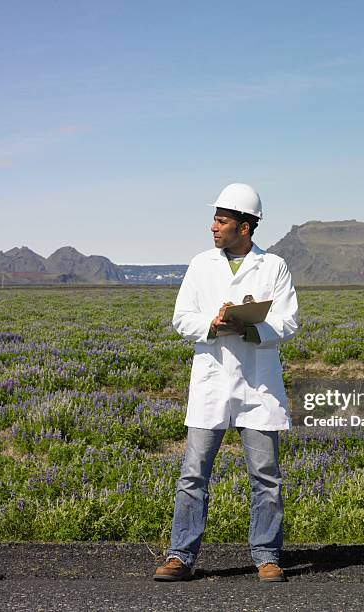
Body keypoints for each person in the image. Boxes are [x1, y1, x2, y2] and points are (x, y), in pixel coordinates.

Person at [154, 183, 298, 583]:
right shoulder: (201, 264)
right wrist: (214, 325)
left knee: (265, 475)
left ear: (245, 227)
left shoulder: (275, 267)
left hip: (258, 386)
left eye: (221, 220)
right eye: (215, 219)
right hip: (212, 383)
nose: (213, 227)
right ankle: (180, 556)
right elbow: (182, 319)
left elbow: (288, 322)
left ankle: (267, 557)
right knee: (193, 473)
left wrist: (251, 329)